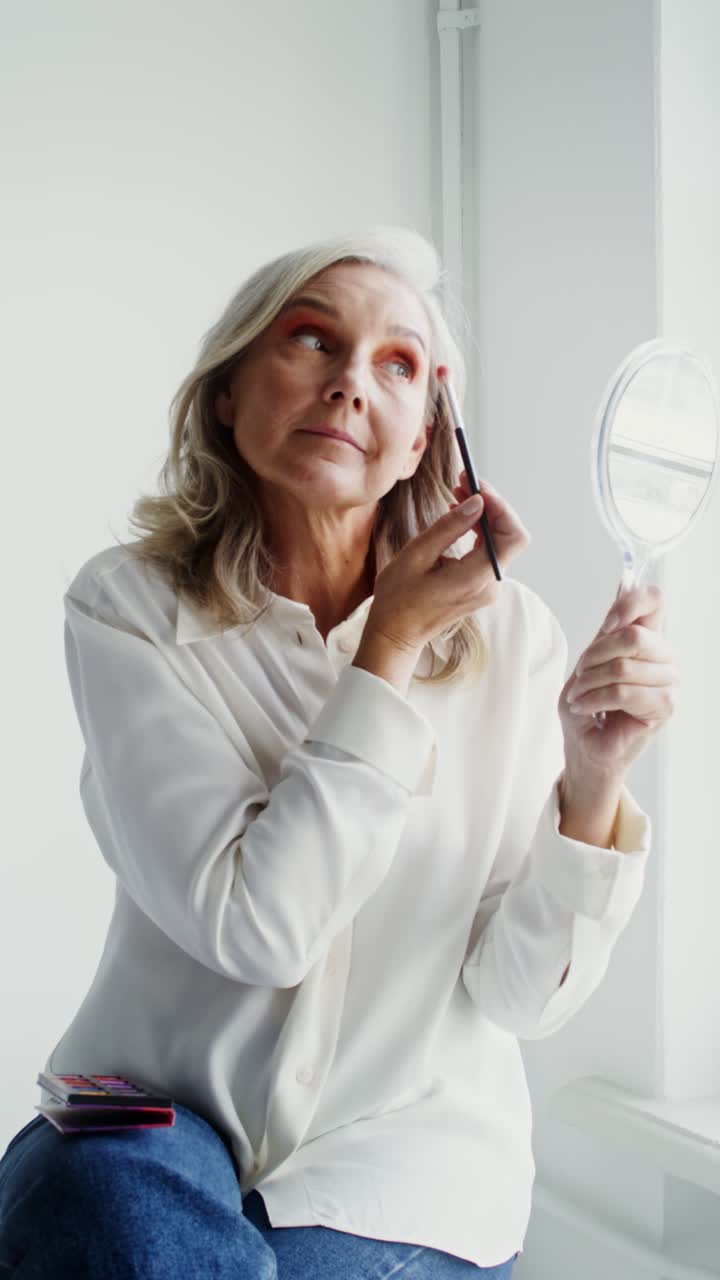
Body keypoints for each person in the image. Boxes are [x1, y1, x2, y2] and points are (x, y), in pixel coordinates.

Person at [0, 225, 677, 1279]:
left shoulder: (517, 639)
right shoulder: (128, 608)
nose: (351, 382)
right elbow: (259, 928)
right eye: (312, 340)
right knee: (91, 1193)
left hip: (406, 1166)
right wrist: (391, 648)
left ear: (425, 436)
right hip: (154, 1123)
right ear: (228, 391)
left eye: (397, 363)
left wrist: (593, 779)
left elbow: (515, 997)